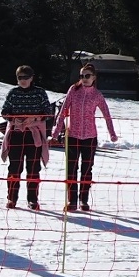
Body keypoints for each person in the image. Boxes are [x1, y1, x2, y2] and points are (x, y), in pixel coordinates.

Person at [52, 63, 119, 212]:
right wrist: (56, 132)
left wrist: (112, 133)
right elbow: (63, 112)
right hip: (73, 136)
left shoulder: (97, 95)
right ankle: (72, 201)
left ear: (94, 77)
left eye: (87, 76)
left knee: (87, 170)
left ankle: (84, 200)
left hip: (90, 137)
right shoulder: (73, 90)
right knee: (71, 170)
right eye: (82, 76)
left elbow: (107, 115)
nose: (84, 79)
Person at [0, 65, 52, 210]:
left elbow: (48, 112)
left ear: (31, 78)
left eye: (25, 77)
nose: (22, 80)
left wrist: (34, 118)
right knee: (14, 167)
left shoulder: (39, 93)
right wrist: (13, 119)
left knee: (33, 168)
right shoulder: (13, 93)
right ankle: (12, 198)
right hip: (16, 134)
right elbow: (4, 112)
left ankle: (33, 200)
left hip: (33, 134)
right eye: (19, 77)